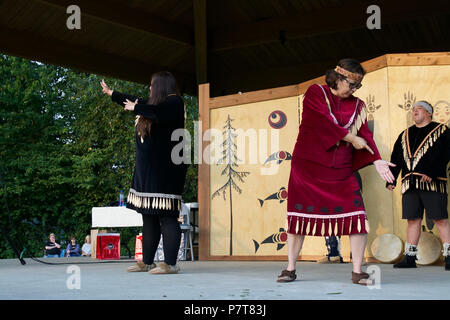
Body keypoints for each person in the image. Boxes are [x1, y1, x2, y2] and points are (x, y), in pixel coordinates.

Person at [277, 58, 396, 285]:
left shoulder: (359, 105)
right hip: (308, 167)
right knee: (298, 217)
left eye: (357, 86)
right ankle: (290, 268)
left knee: (358, 217)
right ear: (338, 77)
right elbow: (320, 121)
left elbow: (365, 136)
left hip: (340, 168)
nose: (354, 90)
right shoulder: (315, 92)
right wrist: (351, 138)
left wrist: (377, 160)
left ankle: (358, 271)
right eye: (351, 84)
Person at [100, 72, 187, 274]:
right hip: (146, 171)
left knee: (167, 216)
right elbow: (131, 100)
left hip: (166, 171)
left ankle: (171, 264)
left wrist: (136, 108)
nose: (149, 88)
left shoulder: (174, 103)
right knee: (147, 216)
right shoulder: (152, 105)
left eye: (152, 85)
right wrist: (112, 93)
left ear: (161, 86)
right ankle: (147, 261)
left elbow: (157, 113)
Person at [386, 100, 450, 270]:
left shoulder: (442, 130)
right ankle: (410, 257)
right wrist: (391, 179)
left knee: (440, 218)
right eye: (413, 110)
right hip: (409, 183)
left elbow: (446, 154)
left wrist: (433, 172)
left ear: (429, 113)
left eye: (419, 109)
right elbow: (396, 158)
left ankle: (449, 256)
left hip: (432, 183)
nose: (415, 112)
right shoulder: (404, 134)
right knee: (413, 220)